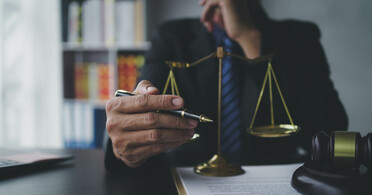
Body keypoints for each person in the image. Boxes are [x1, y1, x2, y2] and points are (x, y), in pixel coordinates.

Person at [104, 0, 348, 170]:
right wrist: (126, 147)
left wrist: (249, 38)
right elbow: (142, 109)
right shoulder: (172, 37)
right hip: (189, 185)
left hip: (276, 185)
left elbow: (331, 133)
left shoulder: (299, 36)